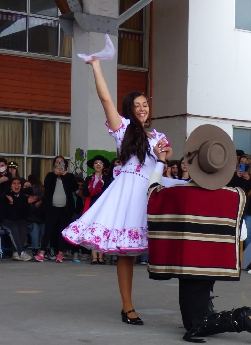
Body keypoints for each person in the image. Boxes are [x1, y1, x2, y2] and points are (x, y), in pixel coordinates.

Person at [62, 55, 173, 325]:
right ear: (129, 109)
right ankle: (127, 306)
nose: (142, 108)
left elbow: (166, 157)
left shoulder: (158, 136)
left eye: (145, 104)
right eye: (137, 105)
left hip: (150, 189)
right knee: (126, 254)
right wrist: (97, 67)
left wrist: (162, 155)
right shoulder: (122, 129)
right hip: (128, 193)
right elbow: (106, 100)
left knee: (162, 244)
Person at [147, 124, 251, 345]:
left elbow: (152, 192)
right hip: (212, 263)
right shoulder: (234, 196)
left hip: (188, 263)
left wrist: (160, 161)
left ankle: (240, 318)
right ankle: (210, 311)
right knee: (192, 316)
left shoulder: (179, 193)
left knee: (193, 324)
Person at [35, 156, 78, 263]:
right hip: (52, 208)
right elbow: (47, 186)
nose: (59, 164)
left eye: (61, 162)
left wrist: (66, 176)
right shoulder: (50, 175)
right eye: (57, 162)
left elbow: (74, 187)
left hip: (65, 209)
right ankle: (42, 253)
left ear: (65, 164)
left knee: (62, 231)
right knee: (48, 231)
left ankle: (60, 254)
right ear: (54, 164)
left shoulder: (69, 176)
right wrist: (55, 175)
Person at [227, 154, 251, 249]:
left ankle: (248, 258)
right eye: (241, 162)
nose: (244, 164)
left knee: (248, 234)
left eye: (246, 162)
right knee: (235, 234)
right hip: (237, 208)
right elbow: (228, 188)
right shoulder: (233, 175)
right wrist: (236, 177)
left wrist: (249, 180)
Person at [83, 155, 112, 264]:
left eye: (100, 163)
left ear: (103, 166)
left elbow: (109, 193)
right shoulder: (89, 178)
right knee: (92, 230)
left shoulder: (107, 179)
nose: (98, 165)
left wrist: (100, 184)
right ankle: (94, 256)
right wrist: (91, 187)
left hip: (103, 206)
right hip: (92, 205)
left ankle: (101, 255)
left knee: (102, 231)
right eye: (96, 163)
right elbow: (85, 193)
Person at [1, 178, 32, 261]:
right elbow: (5, 214)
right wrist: (11, 203)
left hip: (18, 220)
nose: (16, 185)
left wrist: (28, 204)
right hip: (6, 220)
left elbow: (24, 215)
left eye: (18, 183)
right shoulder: (6, 195)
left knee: (23, 226)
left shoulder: (23, 197)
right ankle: (21, 252)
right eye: (14, 183)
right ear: (11, 185)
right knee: (13, 227)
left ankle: (15, 252)